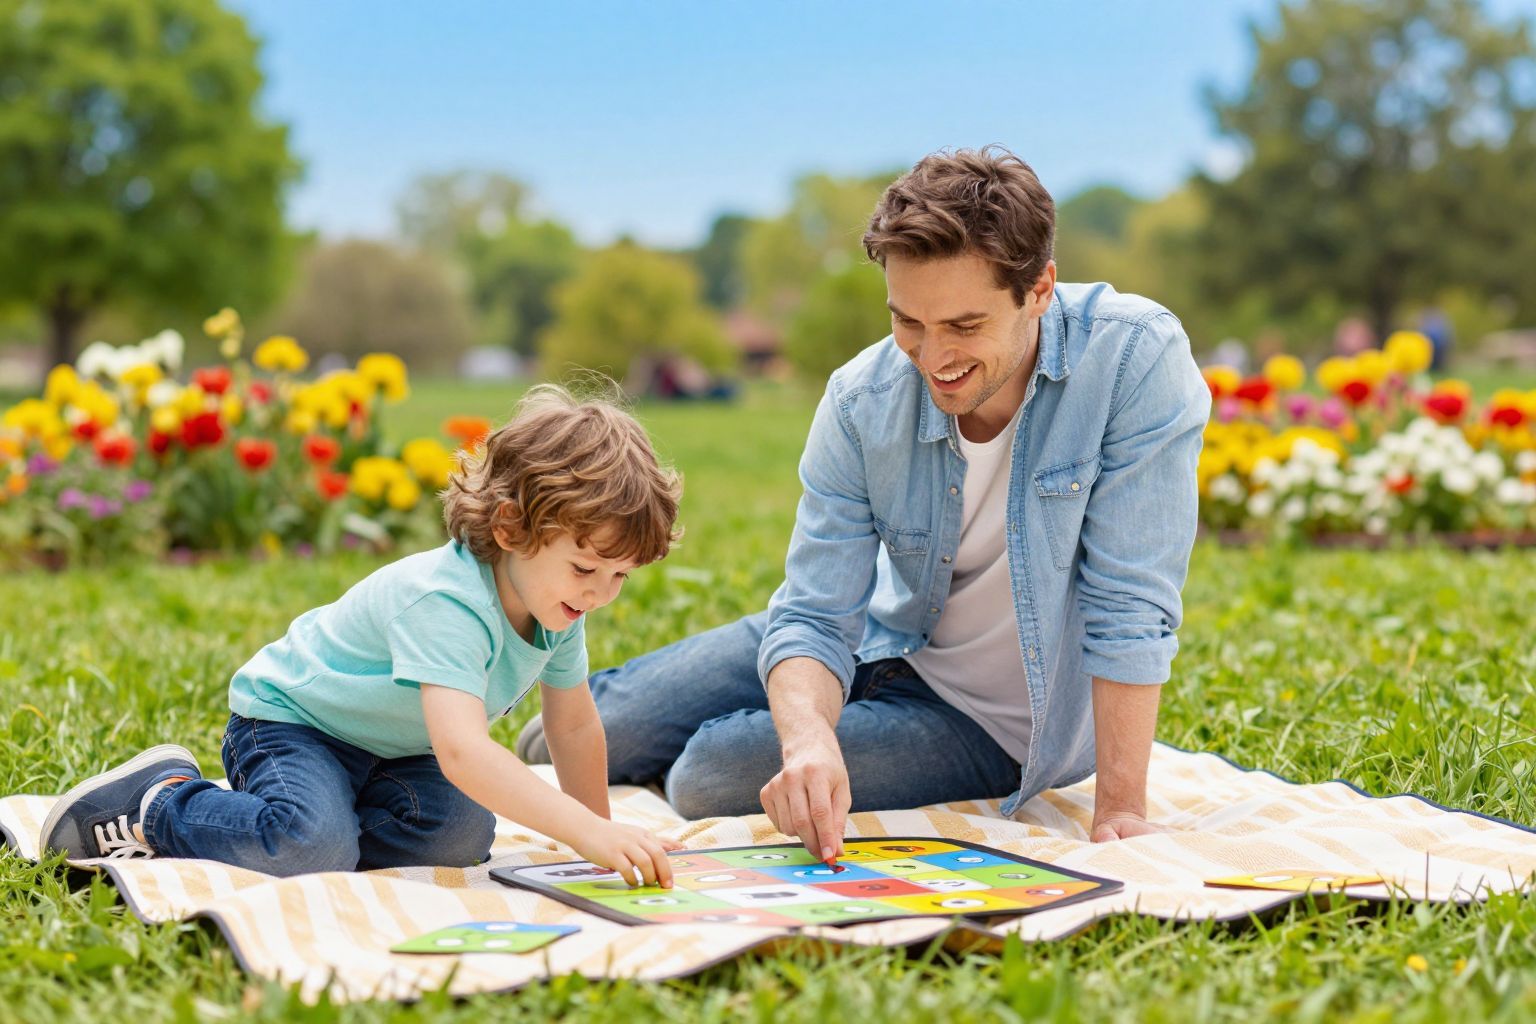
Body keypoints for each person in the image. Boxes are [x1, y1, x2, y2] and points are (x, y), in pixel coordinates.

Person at [518, 146, 1212, 861]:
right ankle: (803, 719)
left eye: (963, 326)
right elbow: (816, 612)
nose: (932, 359)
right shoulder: (862, 400)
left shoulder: (1132, 360)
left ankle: (784, 734)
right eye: (908, 322)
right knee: (577, 734)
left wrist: (1121, 808)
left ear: (1038, 291)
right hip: (876, 633)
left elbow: (1130, 603)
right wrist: (809, 737)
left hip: (990, 724)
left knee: (709, 773)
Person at [42, 384, 683, 886]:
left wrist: (603, 835)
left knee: (460, 837)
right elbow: (463, 752)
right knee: (307, 848)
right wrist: (584, 832)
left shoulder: (558, 607)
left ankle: (320, 824)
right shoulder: (447, 602)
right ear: (511, 528)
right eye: (585, 568)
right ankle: (162, 804)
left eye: (620, 575)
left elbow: (573, 726)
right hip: (294, 725)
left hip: (397, 751)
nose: (601, 593)